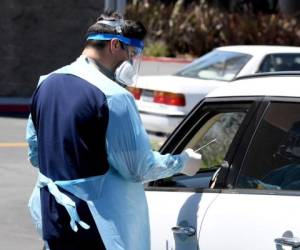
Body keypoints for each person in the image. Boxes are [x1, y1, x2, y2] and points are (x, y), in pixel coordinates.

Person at [26, 11, 202, 250]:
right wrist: (183, 162)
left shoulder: (45, 84)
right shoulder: (114, 97)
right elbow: (139, 167)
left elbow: (36, 154)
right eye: (131, 54)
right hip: (97, 224)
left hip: (53, 218)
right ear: (115, 45)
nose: (131, 62)